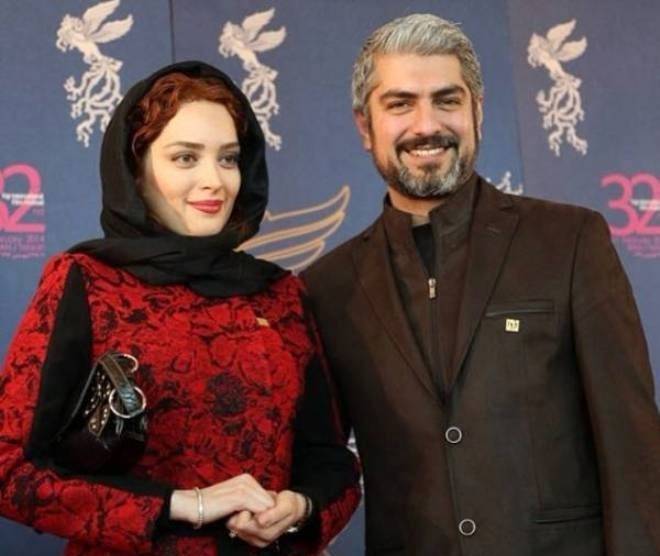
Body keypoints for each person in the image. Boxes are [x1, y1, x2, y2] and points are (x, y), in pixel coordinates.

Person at [302, 13, 660, 556]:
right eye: (400, 104)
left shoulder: (568, 241)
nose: (426, 125)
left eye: (447, 100)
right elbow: (323, 463)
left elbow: (632, 447)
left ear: (478, 111)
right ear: (364, 127)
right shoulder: (327, 288)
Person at [0, 60, 360, 555]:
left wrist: (299, 508)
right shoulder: (87, 281)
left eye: (228, 159)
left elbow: (332, 464)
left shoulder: (279, 294)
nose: (215, 180)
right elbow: (11, 472)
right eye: (186, 158)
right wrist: (187, 505)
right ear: (136, 170)